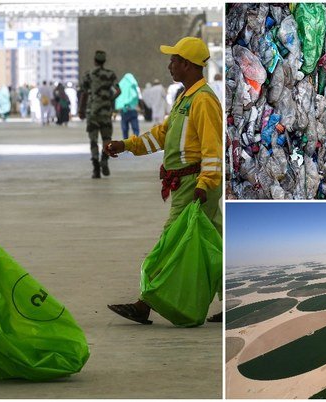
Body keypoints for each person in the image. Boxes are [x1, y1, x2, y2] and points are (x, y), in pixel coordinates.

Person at [105, 37, 222, 325]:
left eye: (174, 60)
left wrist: (204, 184)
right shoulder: (185, 98)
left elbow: (213, 148)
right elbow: (161, 135)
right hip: (186, 183)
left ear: (187, 64)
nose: (169, 65)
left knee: (169, 243)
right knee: (217, 243)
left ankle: (144, 304)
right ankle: (233, 300)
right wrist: (127, 145)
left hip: (194, 185)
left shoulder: (204, 100)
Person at [78, 50, 119, 179]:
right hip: (106, 112)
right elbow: (119, 90)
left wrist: (81, 109)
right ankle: (105, 159)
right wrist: (109, 99)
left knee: (93, 140)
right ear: (104, 61)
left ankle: (96, 168)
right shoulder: (110, 74)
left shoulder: (89, 74)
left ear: (95, 61)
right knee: (107, 138)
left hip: (92, 112)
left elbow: (84, 93)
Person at [115, 73, 141, 139]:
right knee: (135, 129)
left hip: (124, 110)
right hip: (132, 110)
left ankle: (125, 143)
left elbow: (118, 97)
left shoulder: (121, 84)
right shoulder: (132, 84)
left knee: (125, 129)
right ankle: (135, 141)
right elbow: (135, 95)